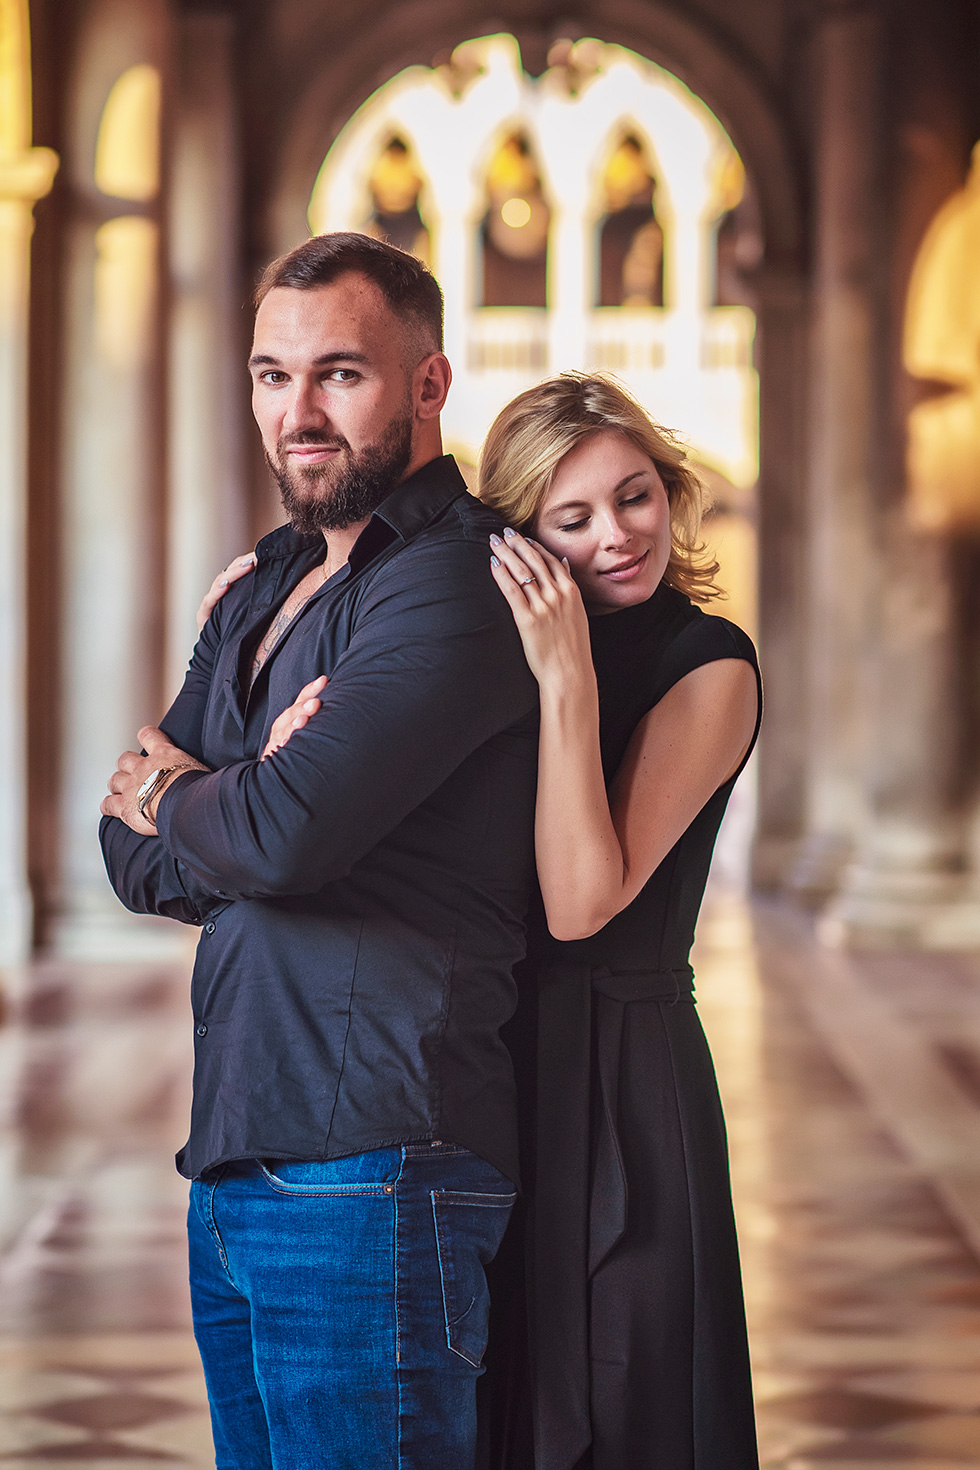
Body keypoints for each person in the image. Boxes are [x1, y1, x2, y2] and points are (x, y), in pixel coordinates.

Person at [253, 372, 762, 1468]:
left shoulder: (706, 666)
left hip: (617, 1080)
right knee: (478, 1409)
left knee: (611, 1410)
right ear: (518, 542)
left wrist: (566, 679)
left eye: (635, 497)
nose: (618, 537)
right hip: (479, 1058)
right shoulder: (490, 653)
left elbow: (582, 905)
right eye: (570, 520)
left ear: (670, 490)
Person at [98, 232, 539, 1470]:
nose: (298, 412)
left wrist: (202, 794)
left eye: (339, 374)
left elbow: (279, 840)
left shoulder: (453, 583)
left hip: (375, 1165)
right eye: (270, 375)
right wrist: (225, 793)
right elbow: (128, 856)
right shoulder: (267, 582)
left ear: (428, 385)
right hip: (241, 1157)